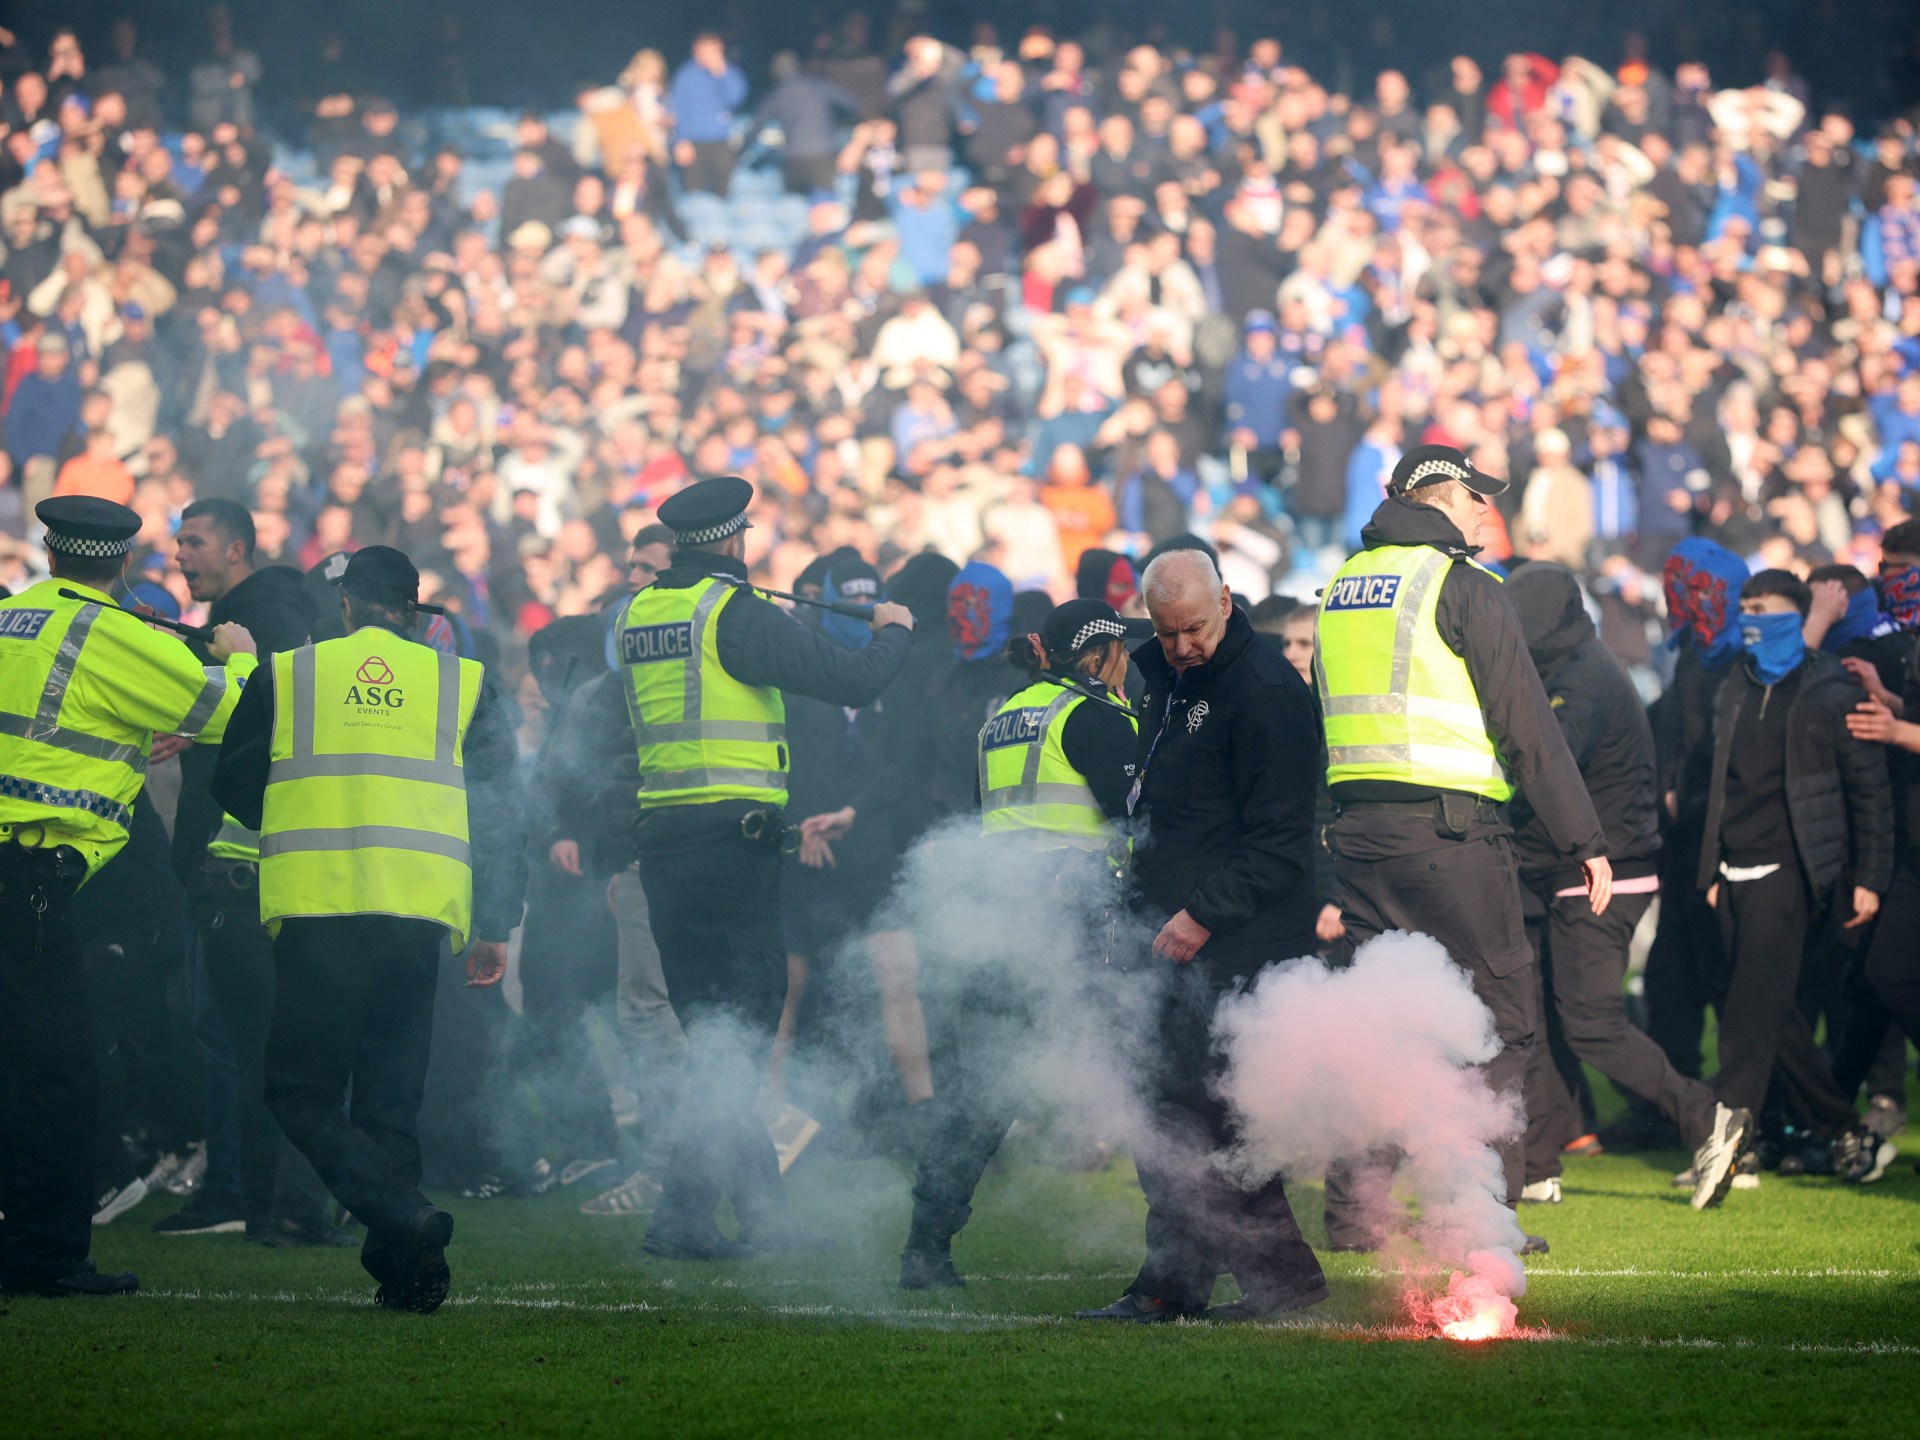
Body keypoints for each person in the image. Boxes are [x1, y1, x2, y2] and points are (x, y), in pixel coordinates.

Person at [211, 545, 529, 1314]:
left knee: (298, 1089)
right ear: (415, 614)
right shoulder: (463, 681)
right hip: (417, 914)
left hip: (321, 909)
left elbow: (233, 782)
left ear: (346, 605)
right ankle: (410, 1277)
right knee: (390, 1102)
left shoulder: (291, 672)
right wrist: (494, 923)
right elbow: (502, 812)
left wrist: (303, 815)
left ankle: (400, 1215)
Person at [1315, 446, 1611, 1255]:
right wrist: (1584, 840)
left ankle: (1353, 1219)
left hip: (1360, 841)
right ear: (1445, 497)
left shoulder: (1343, 586)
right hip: (1452, 841)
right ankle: (1480, 1217)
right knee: (1504, 1023)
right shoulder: (1462, 586)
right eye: (1481, 497)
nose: (1489, 513)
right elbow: (1529, 728)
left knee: (1380, 1032)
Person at [619, 477, 914, 1260]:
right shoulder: (732, 612)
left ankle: (738, 1219)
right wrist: (894, 628)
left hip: (666, 846)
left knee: (718, 1037)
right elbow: (855, 679)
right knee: (743, 1035)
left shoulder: (642, 611)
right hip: (728, 847)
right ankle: (689, 1217)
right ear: (736, 539)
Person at [1, 497, 257, 1298]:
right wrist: (238, 653)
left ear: (49, 552)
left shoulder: (14, 618)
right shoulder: (108, 632)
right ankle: (46, 1259)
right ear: (119, 563)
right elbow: (221, 709)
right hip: (37, 876)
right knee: (62, 1076)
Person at [1078, 548, 1330, 1323]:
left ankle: (1266, 1283)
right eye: (1166, 630)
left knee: (1212, 1116)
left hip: (1240, 936)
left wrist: (1202, 914)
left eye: (1193, 628)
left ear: (1226, 600)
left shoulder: (1267, 693)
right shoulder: (1166, 675)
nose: (1183, 645)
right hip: (1174, 931)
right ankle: (1178, 1284)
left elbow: (1282, 840)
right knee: (1170, 1112)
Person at [900, 597, 1142, 1290]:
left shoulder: (1005, 716)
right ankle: (1193, 1249)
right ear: (1098, 656)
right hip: (1074, 921)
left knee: (979, 1095)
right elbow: (1138, 816)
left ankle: (925, 1249)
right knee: (1153, 1075)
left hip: (1002, 919)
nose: (1127, 661)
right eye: (1122, 649)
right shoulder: (1092, 715)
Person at [1507, 562, 1751, 1211]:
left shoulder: (1580, 682)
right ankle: (1538, 1160)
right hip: (1579, 870)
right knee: (1546, 1019)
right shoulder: (1575, 665)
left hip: (1600, 872)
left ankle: (1706, 1117)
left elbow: (1543, 765)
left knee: (1589, 1023)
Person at [158, 498, 343, 1245]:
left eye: (194, 541)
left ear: (237, 550)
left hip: (239, 864)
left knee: (237, 1046)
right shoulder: (266, 614)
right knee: (243, 1043)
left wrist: (195, 710)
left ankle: (244, 1192)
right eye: (177, 541)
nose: (180, 554)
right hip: (247, 863)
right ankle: (254, 1195)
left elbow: (267, 716)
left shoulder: (255, 622)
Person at [1697, 570, 1892, 1184]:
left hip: (1793, 870)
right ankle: (1846, 1130)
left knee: (1746, 1016)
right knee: (1768, 1010)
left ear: (1797, 614)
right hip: (1730, 869)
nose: (1751, 619)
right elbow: (1719, 788)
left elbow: (1870, 796)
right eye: (1745, 607)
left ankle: (1726, 1138)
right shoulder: (1732, 684)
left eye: (1766, 609)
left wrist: (1870, 877)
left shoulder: (1830, 691)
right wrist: (1710, 868)